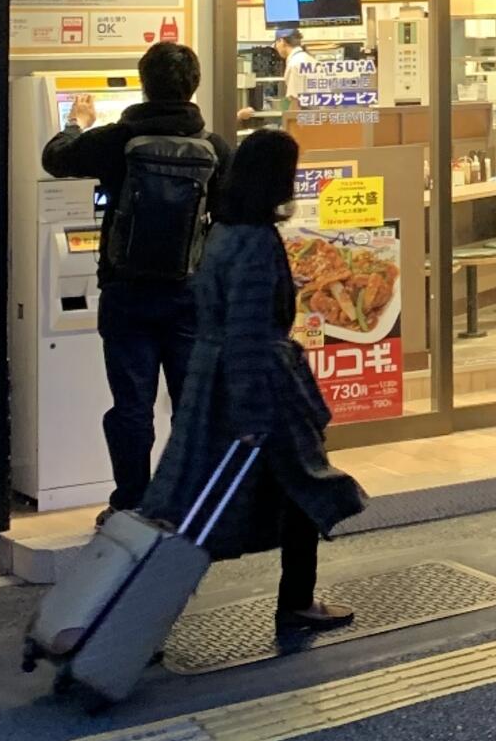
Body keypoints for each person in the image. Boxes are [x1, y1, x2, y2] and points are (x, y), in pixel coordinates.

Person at [141, 130, 364, 635]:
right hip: (258, 384)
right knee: (302, 487)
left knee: (191, 500)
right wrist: (250, 415)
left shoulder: (220, 230)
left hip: (210, 378)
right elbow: (249, 330)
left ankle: (142, 610)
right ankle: (294, 602)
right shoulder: (257, 241)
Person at [42, 41, 232, 516]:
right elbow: (227, 216)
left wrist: (75, 123)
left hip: (126, 294)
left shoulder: (115, 141)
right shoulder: (214, 148)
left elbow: (54, 158)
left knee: (131, 405)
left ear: (144, 84)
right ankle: (188, 500)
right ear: (194, 85)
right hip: (188, 294)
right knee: (190, 405)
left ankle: (130, 502)